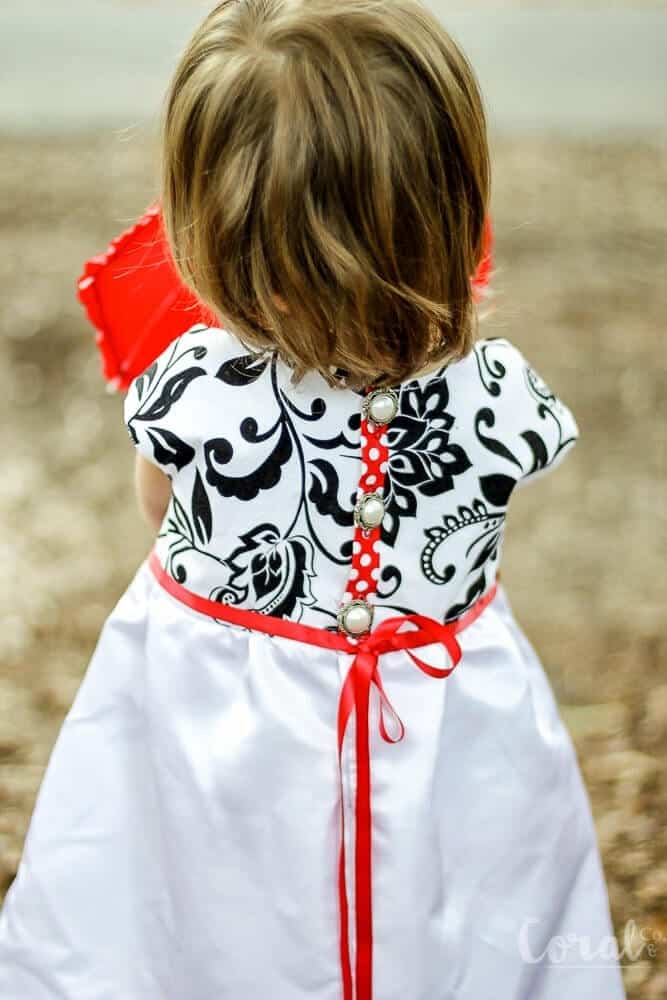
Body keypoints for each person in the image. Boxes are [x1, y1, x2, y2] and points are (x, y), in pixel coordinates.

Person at [0, 2, 626, 998]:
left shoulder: (196, 382)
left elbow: (158, 506)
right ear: (454, 207)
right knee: (460, 897)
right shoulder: (499, 392)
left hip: (219, 716)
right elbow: (487, 511)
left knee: (196, 901)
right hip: (439, 711)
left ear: (231, 247)